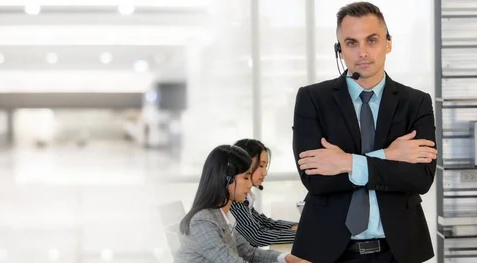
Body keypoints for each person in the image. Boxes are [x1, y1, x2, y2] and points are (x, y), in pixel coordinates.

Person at [291, 2, 438, 263]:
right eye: (351, 43)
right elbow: (315, 179)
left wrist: (346, 162)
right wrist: (388, 155)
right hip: (328, 250)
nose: (363, 52)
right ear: (339, 50)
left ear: (388, 43)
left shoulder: (416, 103)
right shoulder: (312, 99)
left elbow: (419, 179)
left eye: (372, 40)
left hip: (399, 251)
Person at [175, 145, 305, 263]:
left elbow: (250, 253)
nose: (249, 185)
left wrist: (286, 258)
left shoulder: (225, 216)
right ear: (227, 179)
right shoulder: (202, 221)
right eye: (246, 178)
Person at [230, 139, 298, 247]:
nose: (265, 173)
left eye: (266, 167)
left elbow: (263, 222)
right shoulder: (234, 200)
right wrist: (302, 234)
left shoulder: (244, 197)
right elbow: (257, 236)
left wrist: (297, 227)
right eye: (261, 166)